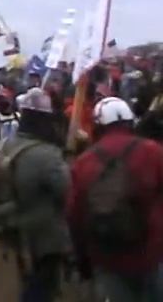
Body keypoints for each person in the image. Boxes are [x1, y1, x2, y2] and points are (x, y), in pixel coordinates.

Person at [68, 97, 163, 301]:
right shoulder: (153, 151)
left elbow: (74, 216)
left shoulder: (83, 163)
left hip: (107, 257)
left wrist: (83, 260)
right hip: (153, 253)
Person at [1, 87, 71, 301]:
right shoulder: (46, 154)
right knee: (41, 288)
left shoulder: (10, 145)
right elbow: (66, 190)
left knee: (30, 280)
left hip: (17, 225)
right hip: (45, 234)